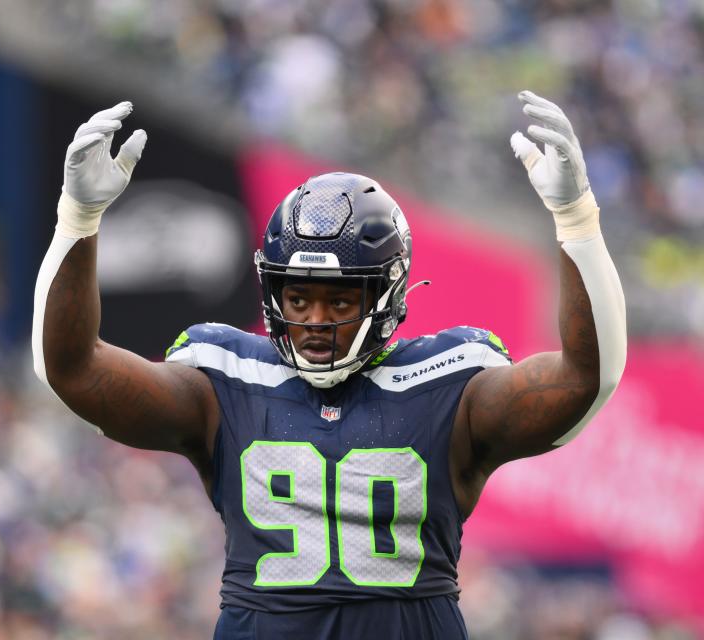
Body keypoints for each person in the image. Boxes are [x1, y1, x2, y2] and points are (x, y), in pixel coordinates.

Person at [31, 92, 626, 639]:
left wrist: (577, 220)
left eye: (338, 300)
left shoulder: (450, 384)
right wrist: (76, 221)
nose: (314, 319)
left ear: (386, 296)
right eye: (298, 298)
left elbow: (585, 377)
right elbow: (72, 370)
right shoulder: (224, 382)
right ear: (273, 295)